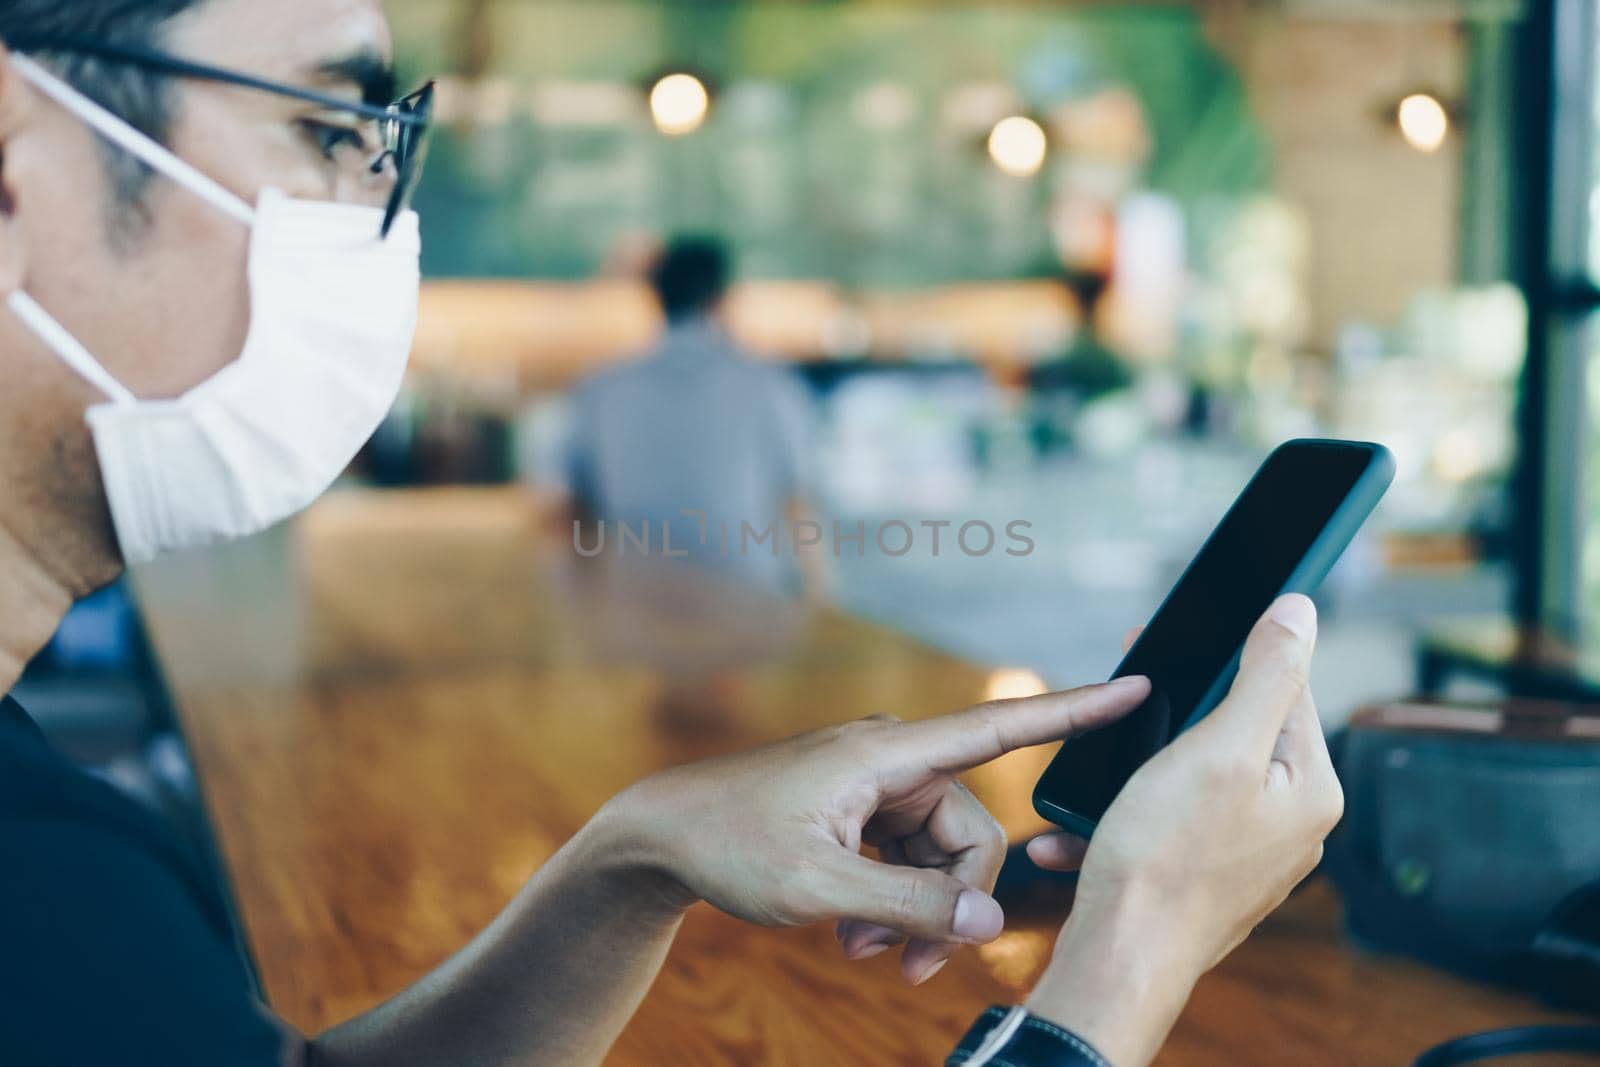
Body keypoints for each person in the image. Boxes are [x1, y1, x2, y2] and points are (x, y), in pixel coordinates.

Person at [0, 3, 1343, 1066]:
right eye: (330, 127)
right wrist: (1136, 943)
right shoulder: (43, 888)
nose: (376, 212)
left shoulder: (64, 872)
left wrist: (632, 855)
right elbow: (789, 515)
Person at [563, 236, 823, 598]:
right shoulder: (769, 385)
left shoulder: (602, 389)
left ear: (655, 297)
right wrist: (818, 594)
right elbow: (795, 500)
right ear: (722, 298)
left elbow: (573, 508)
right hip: (747, 599)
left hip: (636, 601)